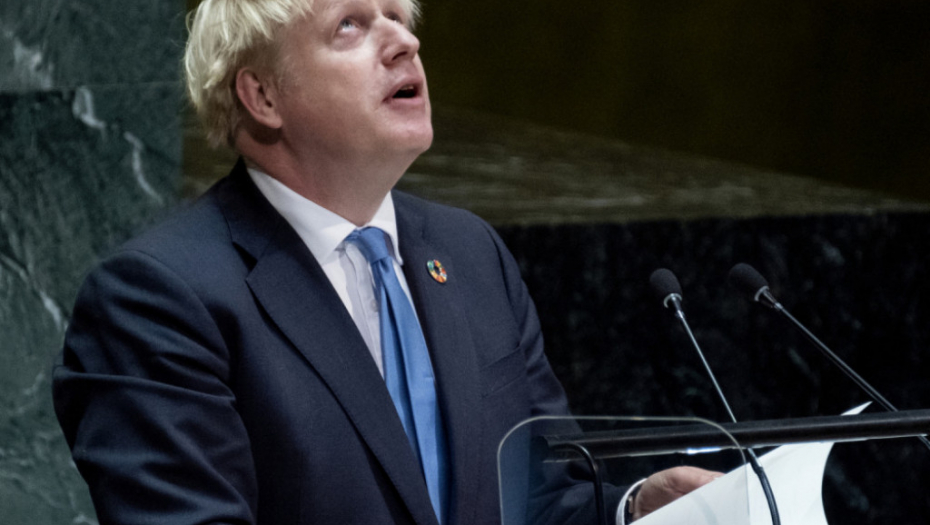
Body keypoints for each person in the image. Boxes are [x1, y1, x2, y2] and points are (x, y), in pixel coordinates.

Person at [52, 0, 718, 523]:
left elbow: (540, 498)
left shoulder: (470, 252)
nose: (404, 42)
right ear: (263, 96)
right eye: (350, 24)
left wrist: (635, 510)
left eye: (399, 17)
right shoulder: (159, 297)